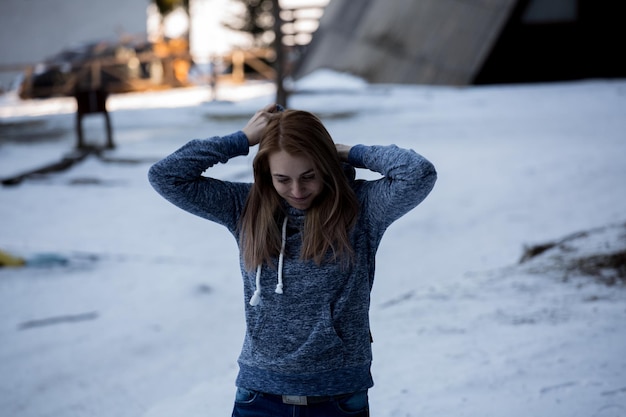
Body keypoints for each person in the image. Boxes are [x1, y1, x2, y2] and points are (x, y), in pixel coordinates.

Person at [148, 104, 437, 416]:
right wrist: (241, 139)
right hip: (258, 397)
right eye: (283, 179)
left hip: (338, 398)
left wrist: (347, 152)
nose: (297, 190)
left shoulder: (361, 208)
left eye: (309, 176)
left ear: (326, 167)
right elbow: (166, 176)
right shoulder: (244, 208)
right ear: (266, 174)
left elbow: (418, 173)